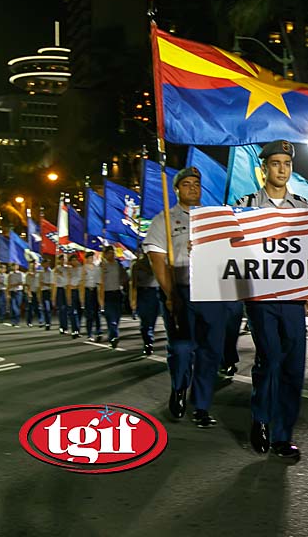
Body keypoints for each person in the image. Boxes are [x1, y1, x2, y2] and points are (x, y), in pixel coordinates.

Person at [235, 140, 308, 460]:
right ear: (264, 168)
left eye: (288, 164)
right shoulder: (246, 204)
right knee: (270, 358)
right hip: (260, 295)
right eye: (276, 163)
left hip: (293, 298)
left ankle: (283, 435)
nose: (282, 169)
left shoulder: (304, 207)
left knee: (294, 364)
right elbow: (232, 247)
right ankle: (262, 419)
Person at [143, 167, 225, 428]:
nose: (192, 188)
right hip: (181, 290)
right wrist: (170, 294)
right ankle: (179, 388)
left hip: (212, 292)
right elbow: (156, 258)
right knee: (181, 347)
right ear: (177, 189)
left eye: (196, 184)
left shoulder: (215, 218)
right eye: (186, 184)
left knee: (209, 351)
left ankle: (201, 406)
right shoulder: (163, 220)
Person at [129, 249, 159, 356]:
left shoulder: (157, 263)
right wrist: (133, 300)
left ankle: (149, 339)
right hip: (142, 293)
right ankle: (148, 342)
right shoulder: (136, 265)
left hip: (155, 292)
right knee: (145, 321)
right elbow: (133, 283)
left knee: (152, 320)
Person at [99, 245, 126, 349]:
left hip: (117, 293)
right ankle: (114, 336)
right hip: (107, 294)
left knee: (117, 316)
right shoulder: (102, 266)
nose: (112, 254)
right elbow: (99, 283)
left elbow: (125, 277)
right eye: (109, 252)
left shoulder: (118, 265)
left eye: (113, 252)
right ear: (105, 254)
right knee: (111, 317)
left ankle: (113, 334)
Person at [83, 255, 102, 341]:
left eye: (92, 258)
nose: (91, 259)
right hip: (87, 290)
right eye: (89, 258)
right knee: (89, 313)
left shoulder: (97, 269)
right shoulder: (83, 268)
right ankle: (89, 333)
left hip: (95, 290)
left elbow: (99, 281)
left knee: (97, 313)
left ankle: (98, 331)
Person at [66, 254, 83, 338]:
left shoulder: (81, 269)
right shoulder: (69, 271)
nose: (74, 262)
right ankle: (74, 330)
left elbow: (82, 281)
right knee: (73, 312)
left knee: (80, 311)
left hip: (80, 291)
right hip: (71, 292)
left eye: (75, 260)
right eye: (72, 260)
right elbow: (67, 284)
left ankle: (77, 329)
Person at [39, 257, 53, 330]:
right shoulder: (41, 273)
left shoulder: (52, 272)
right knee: (46, 308)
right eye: (45, 263)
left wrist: (45, 284)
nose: (46, 265)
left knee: (50, 308)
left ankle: (49, 321)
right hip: (44, 291)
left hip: (51, 291)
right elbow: (40, 283)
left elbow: (52, 284)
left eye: (47, 263)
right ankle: (47, 323)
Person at [25, 263, 39, 327]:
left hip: (38, 292)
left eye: (35, 267)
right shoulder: (28, 275)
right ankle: (29, 322)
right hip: (31, 292)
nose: (34, 268)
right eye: (32, 267)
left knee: (38, 308)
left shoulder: (39, 274)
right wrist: (29, 293)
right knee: (30, 308)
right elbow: (27, 285)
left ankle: (41, 320)